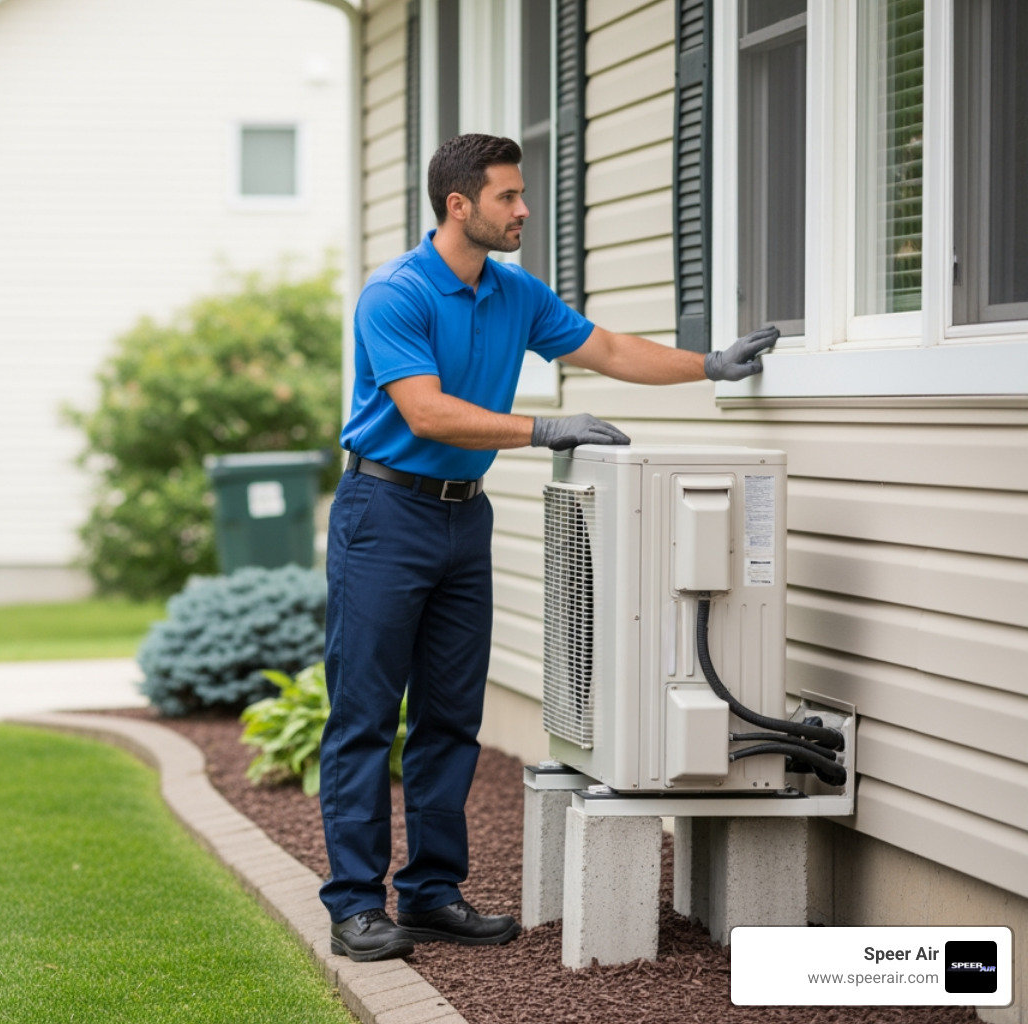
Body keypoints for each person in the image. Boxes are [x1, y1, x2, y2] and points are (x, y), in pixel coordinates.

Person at [322, 133, 777, 963]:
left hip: (465, 518)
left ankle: (428, 894)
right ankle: (355, 905)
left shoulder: (513, 292)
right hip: (384, 514)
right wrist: (543, 427)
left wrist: (709, 365)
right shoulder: (397, 293)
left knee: (451, 716)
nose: (524, 209)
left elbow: (605, 349)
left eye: (522, 194)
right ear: (459, 205)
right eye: (508, 197)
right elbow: (425, 413)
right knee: (363, 718)